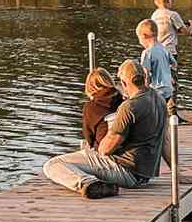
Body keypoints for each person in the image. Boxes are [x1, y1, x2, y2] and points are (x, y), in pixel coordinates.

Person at [43, 59, 169, 199]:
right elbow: (165, 140)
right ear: (143, 77)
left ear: (124, 82)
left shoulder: (129, 107)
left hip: (125, 171)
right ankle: (95, 181)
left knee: (53, 164)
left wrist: (109, 128)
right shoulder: (159, 99)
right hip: (145, 175)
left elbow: (105, 149)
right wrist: (176, 172)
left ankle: (89, 183)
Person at [151, 0, 192, 119]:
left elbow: (166, 30)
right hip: (170, 53)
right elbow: (186, 32)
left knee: (159, 82)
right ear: (169, 0)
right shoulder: (173, 15)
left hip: (156, 52)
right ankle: (172, 114)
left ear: (155, 1)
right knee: (172, 82)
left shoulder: (154, 15)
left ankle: (159, 111)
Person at [81, 66, 122, 149]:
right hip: (124, 149)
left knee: (55, 162)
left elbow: (89, 138)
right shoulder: (123, 100)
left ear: (90, 87)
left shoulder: (91, 107)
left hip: (103, 150)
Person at [136, 19, 174, 104]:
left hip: (157, 91)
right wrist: (169, 77)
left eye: (139, 38)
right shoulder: (164, 49)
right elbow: (174, 64)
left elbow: (146, 75)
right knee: (160, 110)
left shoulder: (147, 52)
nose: (140, 42)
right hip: (168, 90)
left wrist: (142, 92)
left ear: (144, 36)